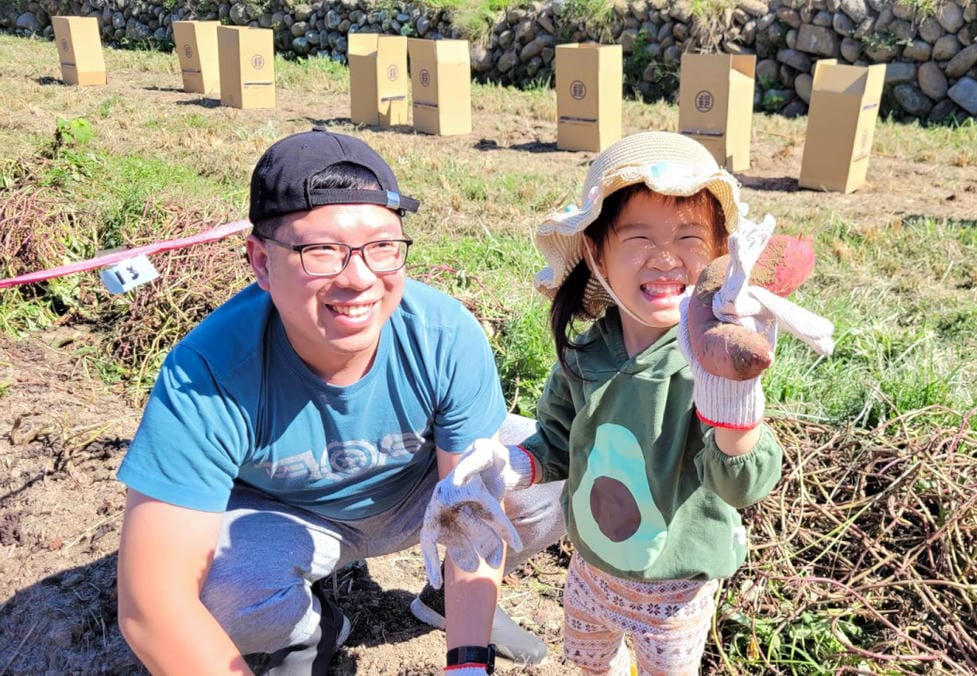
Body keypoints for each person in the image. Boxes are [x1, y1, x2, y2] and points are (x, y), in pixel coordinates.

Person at [115, 127, 564, 675]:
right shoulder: (208, 372)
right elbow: (151, 604)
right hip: (286, 519)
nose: (359, 279)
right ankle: (307, 631)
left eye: (382, 248)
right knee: (216, 592)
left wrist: (468, 663)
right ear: (260, 262)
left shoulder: (443, 335)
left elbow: (470, 511)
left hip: (412, 498)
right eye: (320, 251)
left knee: (546, 471)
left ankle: (451, 600)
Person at [420, 131, 834, 674]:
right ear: (596, 253)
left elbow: (741, 486)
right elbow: (555, 442)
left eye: (689, 237)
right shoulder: (588, 354)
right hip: (590, 573)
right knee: (594, 664)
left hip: (674, 595)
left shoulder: (708, 367)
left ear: (718, 258)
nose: (666, 259)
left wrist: (733, 403)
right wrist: (510, 464)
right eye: (638, 237)